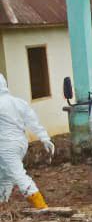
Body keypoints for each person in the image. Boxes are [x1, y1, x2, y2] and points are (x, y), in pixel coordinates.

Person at [0, 74, 54, 209]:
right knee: (5, 176)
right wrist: (45, 138)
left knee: (18, 175)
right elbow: (33, 121)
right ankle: (2, 204)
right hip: (20, 144)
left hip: (6, 145)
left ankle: (42, 207)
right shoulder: (18, 102)